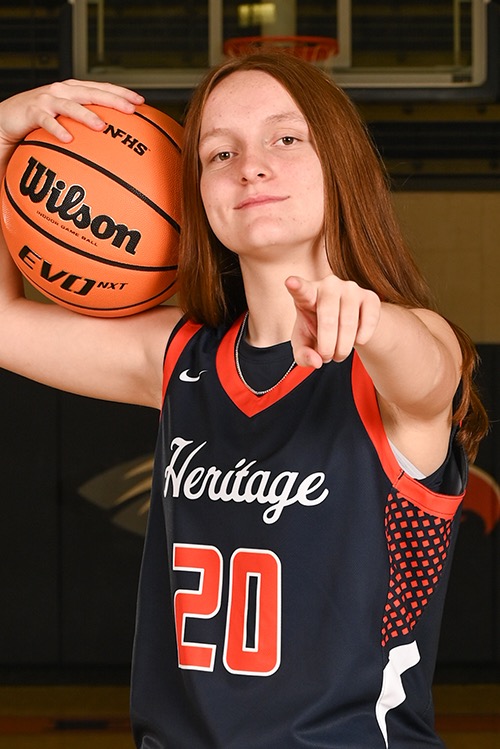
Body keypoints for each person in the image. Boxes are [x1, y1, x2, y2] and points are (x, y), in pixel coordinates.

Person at [0, 53, 488, 748]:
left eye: (285, 138)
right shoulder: (178, 357)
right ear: (197, 195)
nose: (250, 167)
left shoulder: (398, 350)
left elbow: (429, 373)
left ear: (341, 164)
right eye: (219, 153)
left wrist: (371, 321)